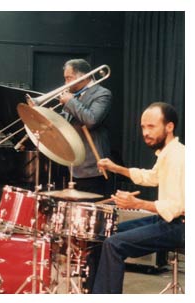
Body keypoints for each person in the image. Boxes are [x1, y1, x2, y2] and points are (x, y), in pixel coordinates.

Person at [92, 102, 184, 293]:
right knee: (102, 235)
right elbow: (152, 177)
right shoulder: (168, 153)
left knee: (114, 244)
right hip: (169, 221)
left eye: (151, 126)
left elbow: (175, 207)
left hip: (180, 226)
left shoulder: (179, 157)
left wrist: (136, 204)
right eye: (143, 127)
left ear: (169, 127)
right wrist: (116, 168)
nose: (145, 132)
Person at [59, 59, 112, 195]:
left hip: (93, 168)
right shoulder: (73, 96)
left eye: (68, 78)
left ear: (84, 76)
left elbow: (91, 120)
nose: (65, 83)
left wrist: (70, 102)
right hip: (74, 166)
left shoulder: (102, 94)